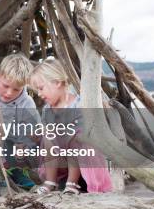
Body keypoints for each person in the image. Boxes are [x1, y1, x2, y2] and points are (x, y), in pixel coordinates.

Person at [30, 58, 113, 195]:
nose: (39, 94)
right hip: (62, 160)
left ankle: (72, 183)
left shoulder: (78, 104)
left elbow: (86, 132)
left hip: (84, 157)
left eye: (41, 88)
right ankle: (51, 181)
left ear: (57, 83)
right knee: (48, 137)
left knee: (73, 138)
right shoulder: (47, 109)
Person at [0, 53, 40, 189]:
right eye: (5, 86)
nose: (9, 93)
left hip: (11, 146)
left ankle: (16, 172)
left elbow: (34, 132)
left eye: (16, 89)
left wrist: (24, 145)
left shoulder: (27, 103)